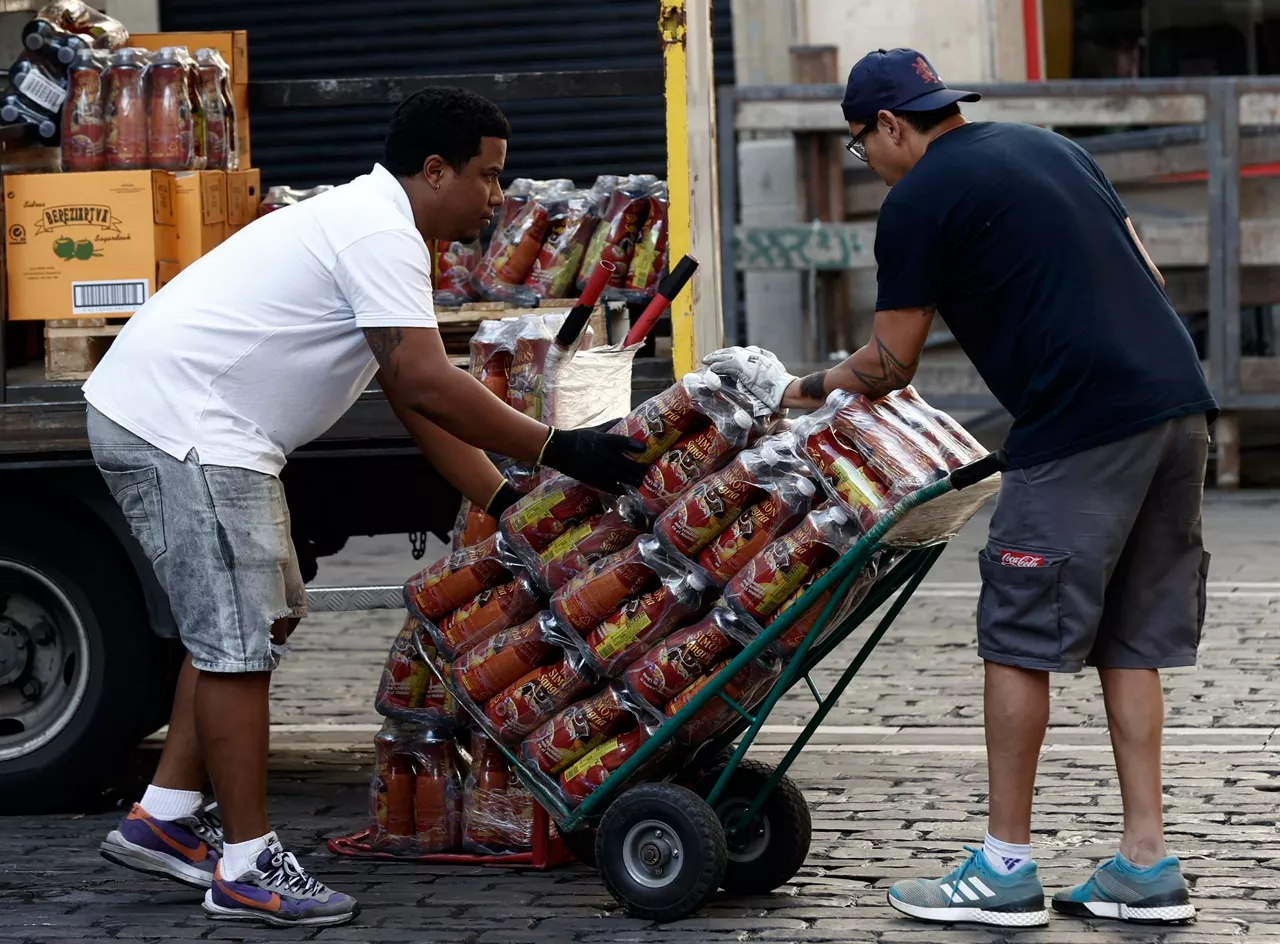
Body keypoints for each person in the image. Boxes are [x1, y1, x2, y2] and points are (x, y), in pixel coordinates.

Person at [84, 86, 643, 928]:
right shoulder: (380, 230)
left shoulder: (382, 226)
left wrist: (502, 496)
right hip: (187, 426)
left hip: (188, 422)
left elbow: (410, 396)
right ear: (433, 169)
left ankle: (164, 818)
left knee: (248, 624)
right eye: (489, 178)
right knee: (237, 642)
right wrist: (562, 449)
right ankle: (246, 865)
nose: (498, 198)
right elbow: (426, 379)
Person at [705, 48, 1214, 929]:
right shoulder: (1055, 148)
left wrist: (797, 391)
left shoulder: (918, 201)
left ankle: (1005, 869)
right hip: (1178, 409)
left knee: (1017, 638)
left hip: (1079, 428)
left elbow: (891, 364)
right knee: (1132, 642)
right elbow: (1150, 274)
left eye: (865, 146)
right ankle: (1145, 864)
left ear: (890, 126)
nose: (873, 161)